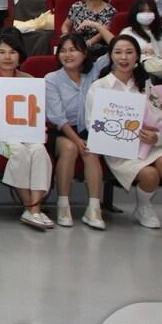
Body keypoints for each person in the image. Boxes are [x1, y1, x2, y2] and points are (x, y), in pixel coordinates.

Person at [86, 34, 162, 246]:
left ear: (137, 56)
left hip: (149, 144)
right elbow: (91, 124)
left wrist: (157, 136)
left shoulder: (148, 86)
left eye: (129, 52)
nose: (124, 58)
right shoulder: (100, 87)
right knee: (149, 175)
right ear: (111, 55)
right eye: (118, 52)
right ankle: (143, 207)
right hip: (118, 149)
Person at [0, 28, 51, 230]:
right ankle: (32, 208)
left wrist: (41, 128)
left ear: (20, 56)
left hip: (25, 132)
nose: (7, 57)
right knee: (19, 151)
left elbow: (38, 113)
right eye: (2, 52)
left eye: (12, 52)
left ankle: (35, 209)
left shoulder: (29, 80)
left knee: (40, 151)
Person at [44, 33, 111, 230]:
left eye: (73, 49)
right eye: (63, 51)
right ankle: (63, 205)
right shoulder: (52, 79)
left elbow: (116, 46)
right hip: (61, 131)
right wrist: (78, 140)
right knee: (71, 148)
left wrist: (98, 29)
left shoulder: (94, 73)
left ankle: (94, 208)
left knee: (91, 153)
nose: (67, 55)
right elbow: (57, 118)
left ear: (84, 52)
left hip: (89, 128)